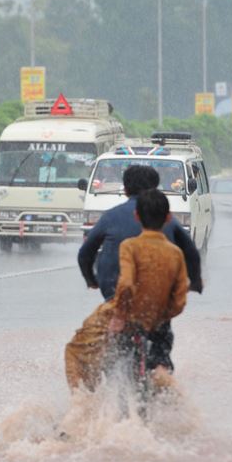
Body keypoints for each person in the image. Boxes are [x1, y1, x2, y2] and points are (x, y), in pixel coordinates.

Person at [65, 165, 201, 391]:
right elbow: (192, 255)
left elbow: (85, 254)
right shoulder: (170, 223)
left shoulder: (113, 220)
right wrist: (195, 284)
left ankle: (84, 408)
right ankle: (166, 387)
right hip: (158, 312)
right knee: (160, 362)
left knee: (77, 354)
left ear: (126, 189)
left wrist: (91, 280)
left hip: (118, 307)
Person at [106, 189, 190, 390]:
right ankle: (164, 382)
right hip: (160, 324)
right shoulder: (176, 253)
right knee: (160, 368)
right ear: (168, 218)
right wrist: (162, 315)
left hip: (132, 322)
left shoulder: (130, 246)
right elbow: (180, 300)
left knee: (119, 368)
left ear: (137, 216)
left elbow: (125, 284)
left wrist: (119, 315)